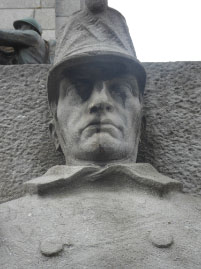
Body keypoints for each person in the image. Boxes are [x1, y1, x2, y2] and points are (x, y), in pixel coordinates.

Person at [0, 1, 201, 268]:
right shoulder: (7, 225)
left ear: (141, 126)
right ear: (54, 132)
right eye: (80, 88)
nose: (100, 101)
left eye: (119, 89)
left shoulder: (194, 215)